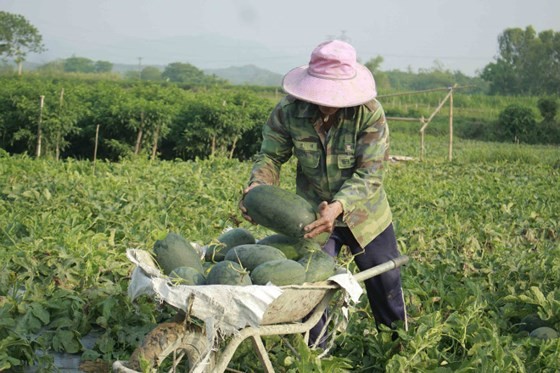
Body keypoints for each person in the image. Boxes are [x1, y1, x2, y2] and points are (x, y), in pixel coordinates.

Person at [239, 40, 407, 346]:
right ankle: (316, 354)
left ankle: (397, 350)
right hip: (311, 216)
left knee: (385, 283)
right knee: (310, 288)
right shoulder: (289, 111)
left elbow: (371, 173)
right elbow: (270, 156)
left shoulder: (368, 114)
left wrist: (339, 206)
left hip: (365, 217)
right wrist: (258, 186)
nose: (328, 101)